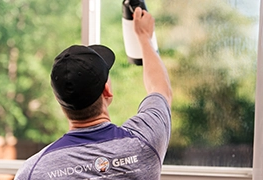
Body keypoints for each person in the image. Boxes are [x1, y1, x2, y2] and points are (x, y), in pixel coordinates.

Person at [14, 7, 172, 180]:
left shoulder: (34, 172)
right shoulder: (144, 140)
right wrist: (144, 37)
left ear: (60, 101)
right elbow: (160, 89)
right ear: (107, 90)